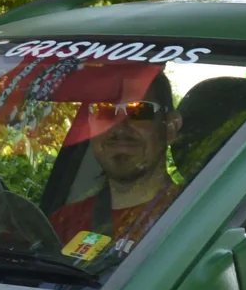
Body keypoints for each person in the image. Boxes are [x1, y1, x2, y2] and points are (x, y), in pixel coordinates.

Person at [50, 74, 184, 267]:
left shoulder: (190, 217)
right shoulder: (63, 223)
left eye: (139, 111)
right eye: (105, 111)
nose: (120, 126)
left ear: (170, 128)